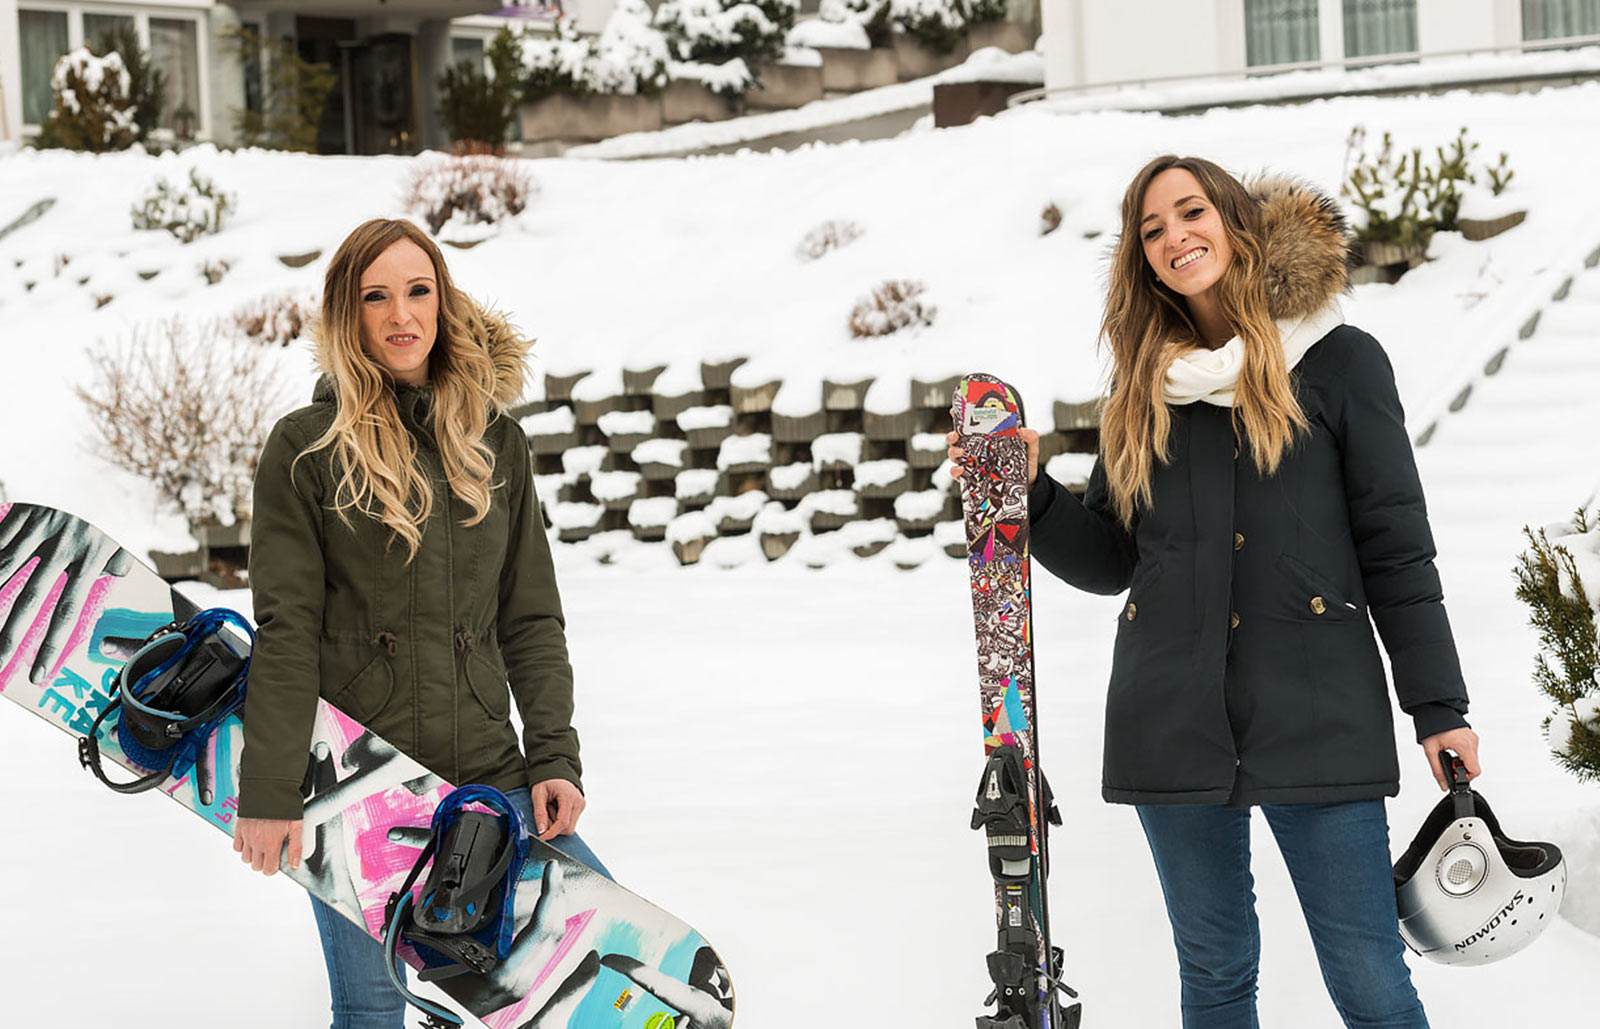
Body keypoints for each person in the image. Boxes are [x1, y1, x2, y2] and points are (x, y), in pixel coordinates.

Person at [950, 155, 1479, 1029]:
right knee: (1216, 975)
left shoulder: (1339, 362)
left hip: (1318, 713)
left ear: (1234, 221)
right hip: (1174, 722)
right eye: (1150, 229)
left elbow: (1397, 549)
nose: (1173, 238)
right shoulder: (1142, 387)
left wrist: (1438, 705)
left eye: (1189, 212)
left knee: (1371, 980)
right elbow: (1115, 557)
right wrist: (1031, 498)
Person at [232, 217, 608, 1029]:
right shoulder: (305, 451)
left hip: (489, 774)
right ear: (347, 314)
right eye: (376, 296)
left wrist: (554, 754)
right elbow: (287, 629)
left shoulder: (495, 443)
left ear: (442, 303)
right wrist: (268, 790)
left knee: (593, 982)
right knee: (372, 1011)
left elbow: (532, 617)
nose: (401, 315)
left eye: (418, 290)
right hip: (360, 785)